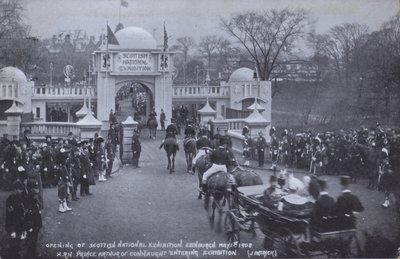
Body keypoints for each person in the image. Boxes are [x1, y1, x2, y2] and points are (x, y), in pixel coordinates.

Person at [5, 180, 26, 259]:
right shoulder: (10, 199)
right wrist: (11, 230)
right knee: (13, 243)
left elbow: (23, 214)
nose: (20, 191)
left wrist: (24, 227)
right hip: (13, 225)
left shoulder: (21, 198)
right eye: (18, 189)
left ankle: (16, 253)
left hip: (20, 225)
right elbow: (9, 216)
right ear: (14, 189)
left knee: (18, 243)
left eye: (21, 189)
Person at [23, 179, 42, 258]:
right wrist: (29, 226)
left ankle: (33, 252)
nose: (36, 191)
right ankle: (29, 254)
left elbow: (37, 210)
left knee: (34, 238)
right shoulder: (27, 200)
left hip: (36, 223)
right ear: (30, 189)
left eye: (37, 188)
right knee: (30, 239)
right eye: (34, 189)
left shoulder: (35, 199)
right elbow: (27, 214)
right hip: (30, 224)